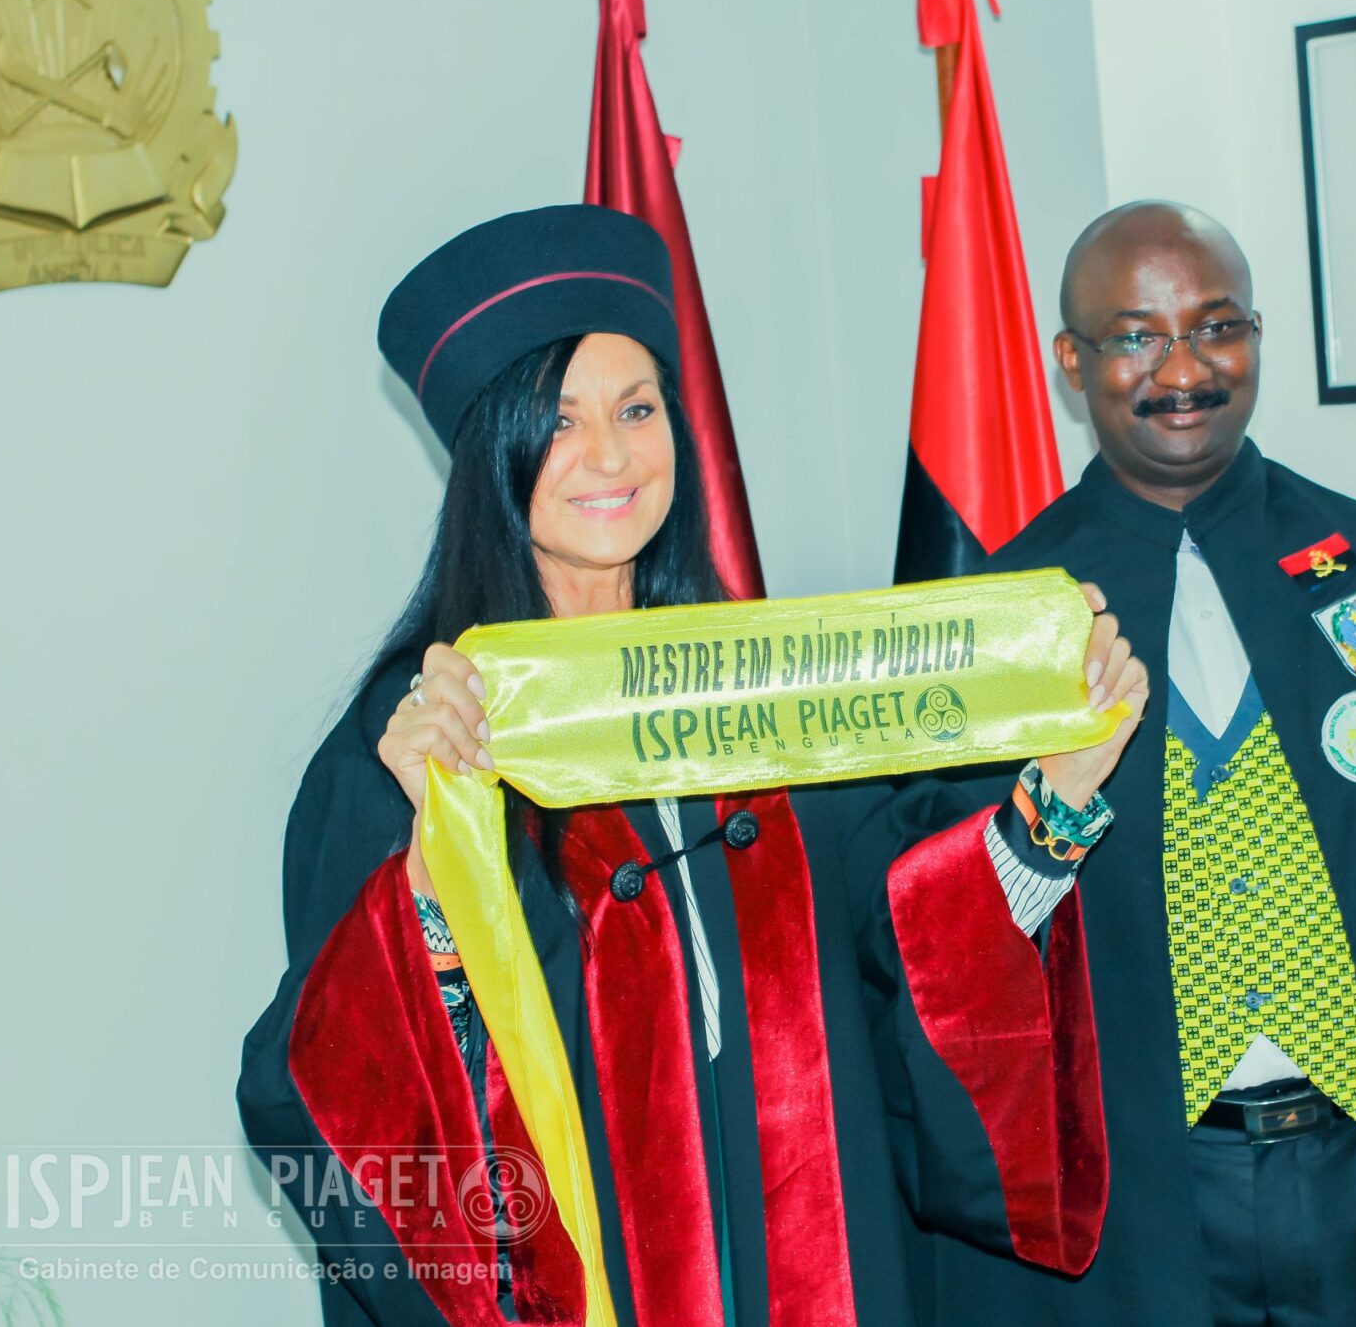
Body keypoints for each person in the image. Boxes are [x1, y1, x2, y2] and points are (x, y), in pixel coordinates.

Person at [236, 205, 1147, 1326]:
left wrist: (1054, 797)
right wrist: (426, 889)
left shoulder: (767, 691)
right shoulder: (417, 736)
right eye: (561, 423)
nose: (611, 456)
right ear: (492, 453)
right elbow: (323, 1090)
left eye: (637, 408)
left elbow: (898, 954)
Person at [893, 201, 1356, 1326]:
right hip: (1136, 1204)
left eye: (1215, 326)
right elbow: (936, 938)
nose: (1181, 367)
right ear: (1069, 361)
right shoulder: (990, 620)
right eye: (1133, 336)